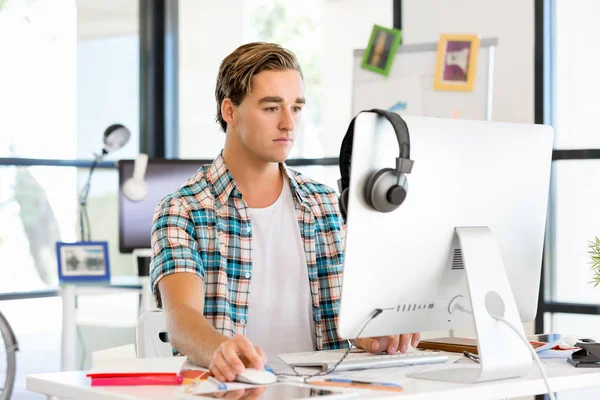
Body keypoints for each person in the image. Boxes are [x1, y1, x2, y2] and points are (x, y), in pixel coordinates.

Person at [149, 42, 420, 383]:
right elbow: (181, 317)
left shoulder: (324, 204)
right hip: (233, 391)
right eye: (271, 108)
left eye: (296, 108)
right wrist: (220, 349)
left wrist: (375, 334)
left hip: (322, 391)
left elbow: (352, 317)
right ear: (230, 111)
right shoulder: (183, 209)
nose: (289, 124)